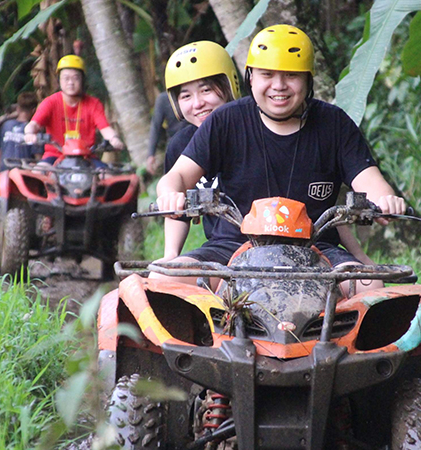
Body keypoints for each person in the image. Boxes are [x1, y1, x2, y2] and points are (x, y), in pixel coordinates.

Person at [155, 25, 403, 292]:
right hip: (232, 247)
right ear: (250, 78)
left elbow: (371, 181)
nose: (279, 86)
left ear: (308, 80)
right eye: (267, 74)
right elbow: (177, 176)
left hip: (315, 248)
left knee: (372, 287)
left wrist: (385, 200)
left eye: (291, 75)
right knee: (162, 279)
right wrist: (170, 193)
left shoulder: (334, 123)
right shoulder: (225, 120)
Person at [159, 40, 242, 263]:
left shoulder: (253, 127)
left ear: (229, 85)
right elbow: (177, 206)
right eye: (186, 96)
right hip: (222, 249)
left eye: (206, 90)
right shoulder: (181, 145)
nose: (198, 104)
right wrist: (170, 255)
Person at [23, 55, 124, 164]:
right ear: (59, 80)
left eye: (75, 78)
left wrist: (113, 139)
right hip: (55, 156)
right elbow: (34, 124)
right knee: (38, 174)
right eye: (66, 78)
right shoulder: (50, 102)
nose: (70, 82)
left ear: (82, 80)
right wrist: (29, 134)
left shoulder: (93, 103)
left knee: (107, 177)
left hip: (87, 157)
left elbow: (105, 128)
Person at [0, 92, 41, 201]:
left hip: (4, 172)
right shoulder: (33, 132)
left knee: (1, 207)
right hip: (23, 177)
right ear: (34, 110)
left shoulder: (6, 126)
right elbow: (38, 159)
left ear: (18, 108)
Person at [146, 92, 185, 175]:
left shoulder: (163, 98)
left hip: (190, 141)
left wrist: (151, 154)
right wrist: (151, 154)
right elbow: (156, 126)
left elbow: (156, 126)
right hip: (176, 146)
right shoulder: (164, 99)